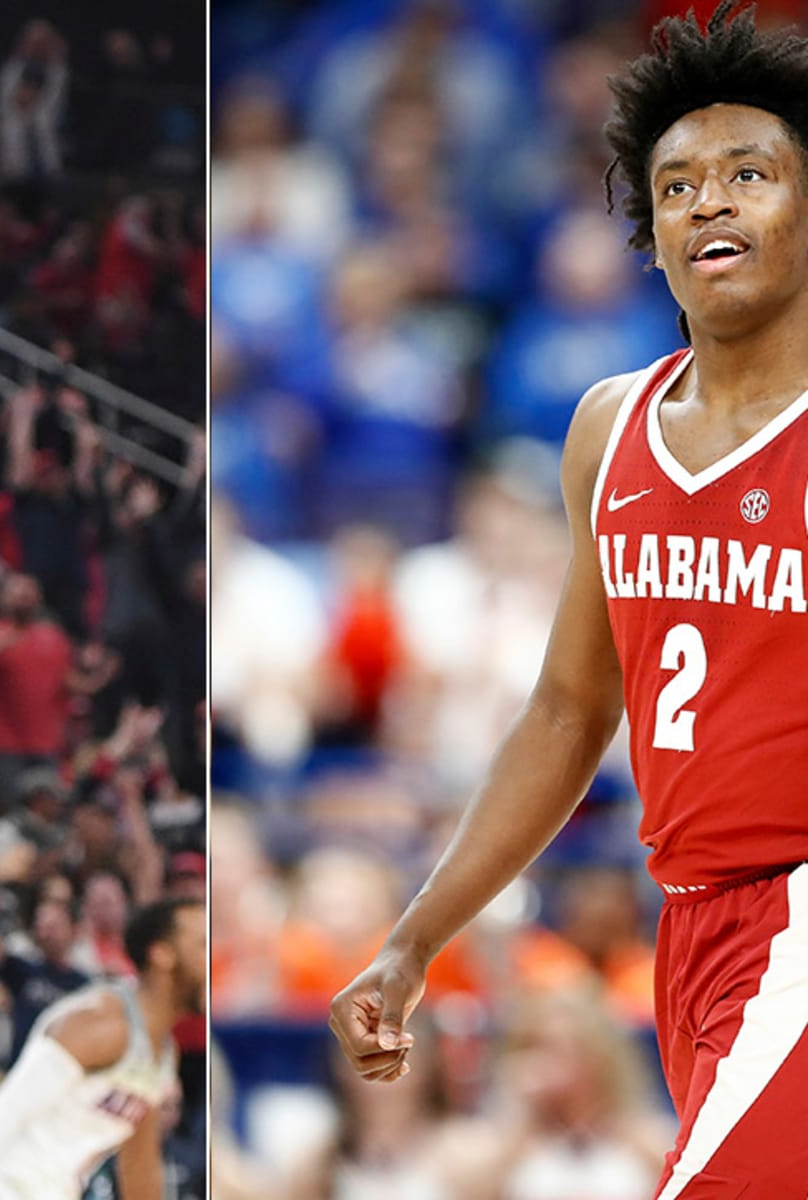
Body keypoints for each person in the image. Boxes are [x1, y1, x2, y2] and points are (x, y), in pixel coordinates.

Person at [330, 3, 808, 1196]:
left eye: (752, 173)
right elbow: (564, 713)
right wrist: (414, 938)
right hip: (690, 931)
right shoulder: (610, 428)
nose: (713, 200)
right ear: (650, 230)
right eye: (682, 183)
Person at [0, 897, 205, 1200]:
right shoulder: (101, 1022)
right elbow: (3, 1113)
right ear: (162, 955)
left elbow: (139, 1165)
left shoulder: (162, 1051)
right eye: (204, 944)